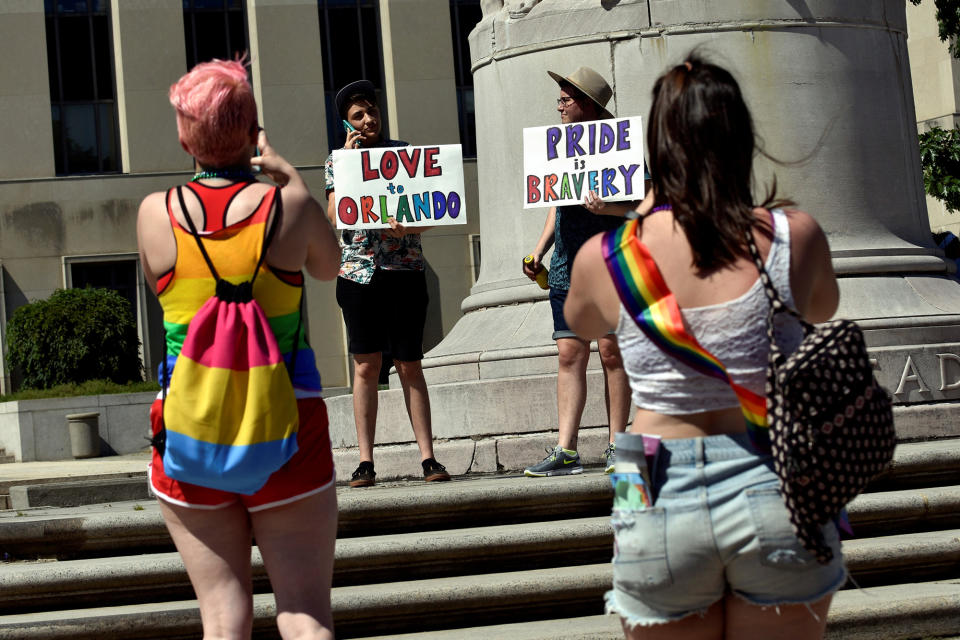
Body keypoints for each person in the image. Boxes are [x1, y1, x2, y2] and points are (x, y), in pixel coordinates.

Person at [564, 55, 844, 639]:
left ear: (655, 149)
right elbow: (822, 309)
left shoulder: (605, 258)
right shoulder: (795, 235)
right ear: (741, 139)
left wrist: (637, 212)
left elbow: (581, 322)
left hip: (647, 473)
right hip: (777, 474)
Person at [136, 59, 341, 639]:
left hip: (190, 425)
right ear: (254, 132)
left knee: (223, 621)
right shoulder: (290, 207)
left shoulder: (156, 214)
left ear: (184, 136)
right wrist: (291, 180)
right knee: (304, 613)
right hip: (288, 426)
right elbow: (330, 268)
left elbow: (159, 288)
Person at [324, 79, 451, 488]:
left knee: (409, 363)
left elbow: (433, 212)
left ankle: (428, 458)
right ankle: (365, 462)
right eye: (358, 115)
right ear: (346, 122)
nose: (367, 120)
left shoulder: (405, 155)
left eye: (371, 112)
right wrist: (346, 162)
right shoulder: (337, 161)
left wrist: (408, 228)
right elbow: (332, 214)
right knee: (366, 365)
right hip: (358, 273)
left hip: (405, 271)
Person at [522, 66, 636, 477]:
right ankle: (565, 450)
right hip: (567, 265)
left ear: (588, 103)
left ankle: (618, 446)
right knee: (570, 352)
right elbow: (557, 202)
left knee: (611, 352)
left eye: (566, 99)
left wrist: (609, 208)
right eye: (560, 98)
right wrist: (539, 251)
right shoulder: (559, 148)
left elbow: (645, 207)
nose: (560, 106)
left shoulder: (623, 146)